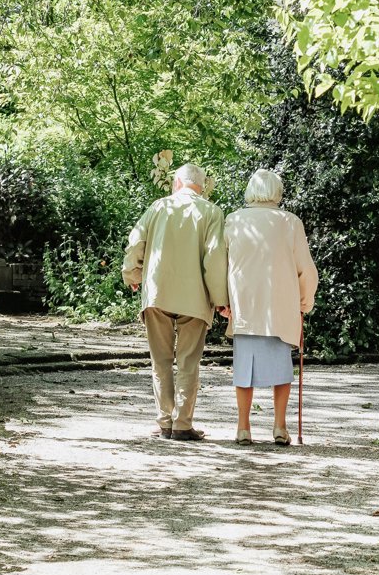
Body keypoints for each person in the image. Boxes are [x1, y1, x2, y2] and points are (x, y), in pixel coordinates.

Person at [122, 163, 228, 441]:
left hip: (158, 293)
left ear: (177, 183)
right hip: (195, 297)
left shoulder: (158, 207)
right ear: (201, 187)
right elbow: (215, 258)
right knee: (188, 362)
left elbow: (136, 243)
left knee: (161, 361)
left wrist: (132, 274)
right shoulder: (212, 212)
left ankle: (164, 422)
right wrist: (220, 299)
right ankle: (182, 424)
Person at [222, 168, 318, 446]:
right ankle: (279, 426)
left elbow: (222, 265)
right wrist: (304, 301)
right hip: (280, 306)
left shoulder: (234, 220)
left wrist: (223, 301)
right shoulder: (290, 222)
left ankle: (243, 427)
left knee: (243, 370)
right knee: (281, 369)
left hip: (245, 305)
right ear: (277, 192)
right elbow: (306, 270)